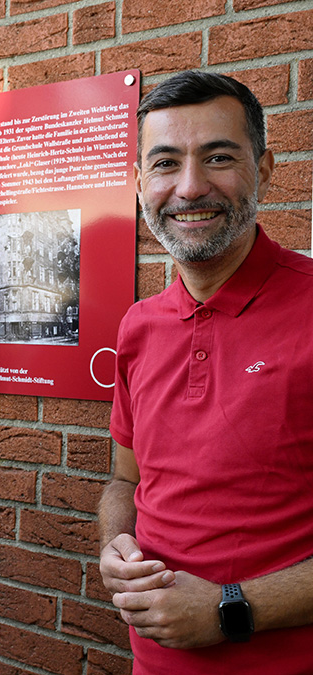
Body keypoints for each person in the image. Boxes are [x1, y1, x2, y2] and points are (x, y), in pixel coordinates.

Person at [99, 70, 313, 674]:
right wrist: (115, 543)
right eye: (165, 163)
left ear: (264, 169)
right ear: (140, 183)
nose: (190, 187)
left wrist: (230, 610)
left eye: (218, 157)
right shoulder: (139, 327)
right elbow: (124, 481)